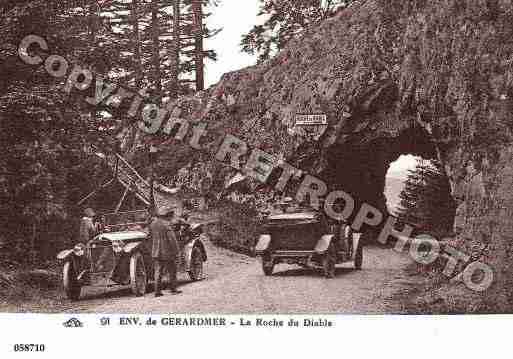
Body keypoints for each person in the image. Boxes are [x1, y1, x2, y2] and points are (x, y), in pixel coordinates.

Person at [149, 206, 181, 297]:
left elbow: (150, 236)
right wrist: (176, 252)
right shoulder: (167, 224)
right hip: (167, 251)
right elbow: (172, 239)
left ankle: (157, 292)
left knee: (158, 271)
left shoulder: (153, 224)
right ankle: (173, 289)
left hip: (156, 251)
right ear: (167, 215)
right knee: (172, 270)